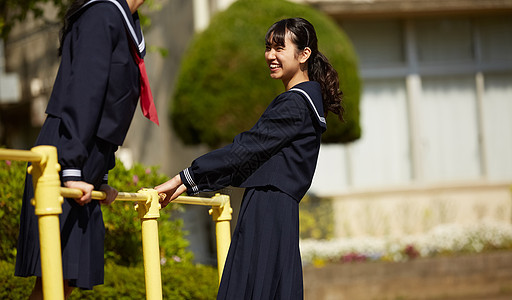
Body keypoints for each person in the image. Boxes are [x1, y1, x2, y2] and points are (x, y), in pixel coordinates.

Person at [155, 17, 343, 299]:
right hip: (276, 210)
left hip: (267, 209)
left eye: (279, 48)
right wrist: (191, 182)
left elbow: (244, 150)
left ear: (304, 54)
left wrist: (186, 176)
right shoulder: (305, 102)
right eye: (268, 47)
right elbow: (248, 159)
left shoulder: (295, 102)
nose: (270, 56)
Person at [15, 0, 158, 298]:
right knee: (52, 281)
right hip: (65, 155)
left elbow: (110, 110)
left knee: (62, 282)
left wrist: (102, 175)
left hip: (85, 162)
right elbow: (83, 94)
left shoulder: (127, 20)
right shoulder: (102, 14)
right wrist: (70, 168)